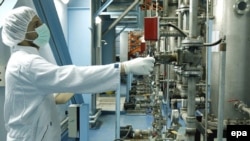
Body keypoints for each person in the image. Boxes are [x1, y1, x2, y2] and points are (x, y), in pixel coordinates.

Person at [1, 6, 155, 141]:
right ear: (21, 34)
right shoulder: (27, 63)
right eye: (36, 24)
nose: (42, 27)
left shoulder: (23, 59)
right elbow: (73, 76)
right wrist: (123, 67)